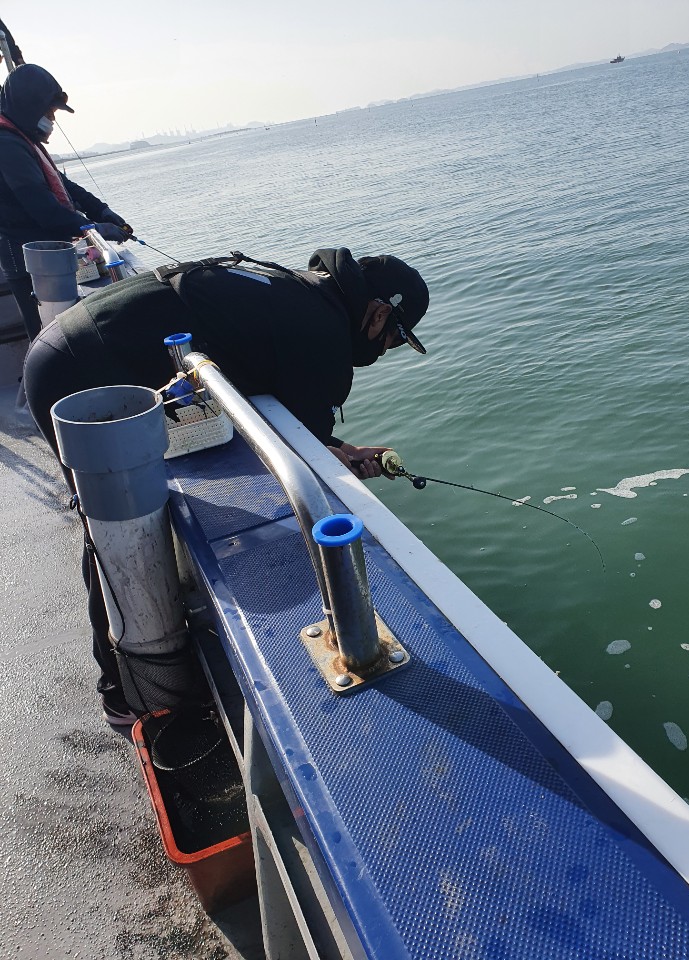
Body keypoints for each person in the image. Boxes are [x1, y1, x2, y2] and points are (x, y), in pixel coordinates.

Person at [24, 246, 430, 724]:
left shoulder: (300, 293)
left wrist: (342, 450)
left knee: (121, 522)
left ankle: (146, 673)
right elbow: (302, 451)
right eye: (395, 339)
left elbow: (296, 425)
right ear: (379, 314)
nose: (385, 350)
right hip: (80, 371)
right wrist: (333, 456)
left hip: (68, 342)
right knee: (113, 527)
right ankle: (129, 694)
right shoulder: (325, 335)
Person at [0, 63, 132, 340]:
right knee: (45, 335)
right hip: (27, 260)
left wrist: (101, 211)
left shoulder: (24, 139)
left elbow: (65, 185)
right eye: (49, 112)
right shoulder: (7, 144)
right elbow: (43, 208)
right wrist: (94, 229)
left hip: (47, 254)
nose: (52, 120)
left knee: (59, 329)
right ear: (30, 108)